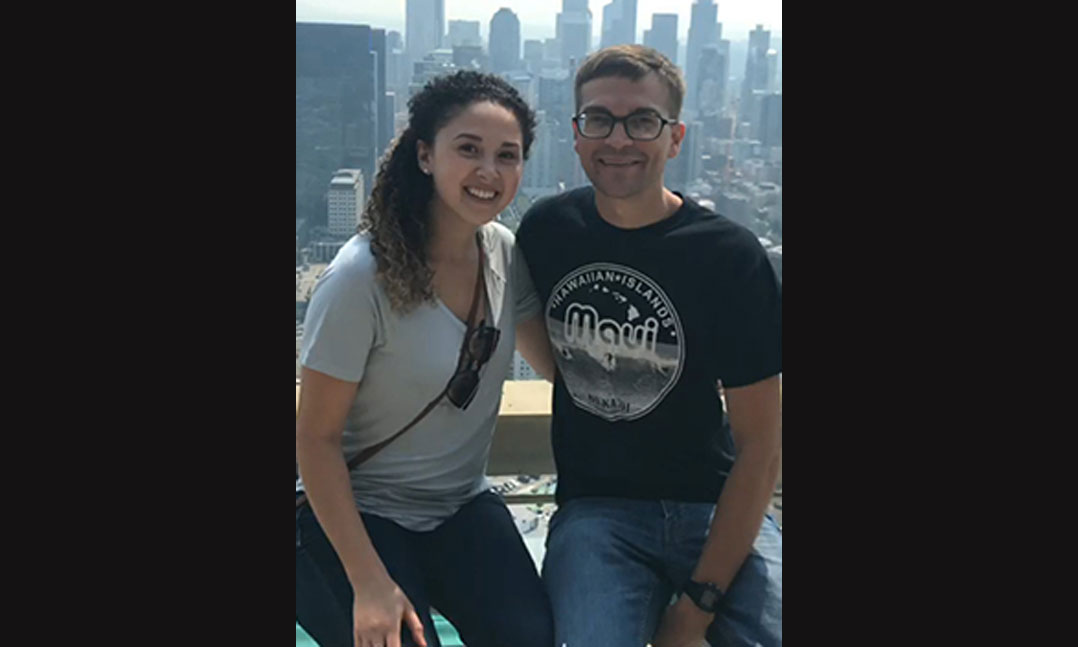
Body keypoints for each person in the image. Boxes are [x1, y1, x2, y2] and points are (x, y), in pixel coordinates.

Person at [515, 45, 783, 647]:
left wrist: (695, 610)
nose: (618, 139)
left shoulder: (731, 259)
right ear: (577, 134)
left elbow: (762, 445)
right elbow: (549, 350)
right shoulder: (547, 231)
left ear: (676, 137)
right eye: (598, 120)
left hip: (713, 509)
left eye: (642, 121)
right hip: (597, 514)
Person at [296, 70, 555, 647]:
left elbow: (559, 366)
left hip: (459, 506)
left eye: (507, 156)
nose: (489, 171)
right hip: (359, 516)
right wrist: (367, 581)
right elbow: (314, 440)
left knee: (533, 636)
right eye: (468, 149)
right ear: (424, 155)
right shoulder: (360, 279)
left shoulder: (504, 254)